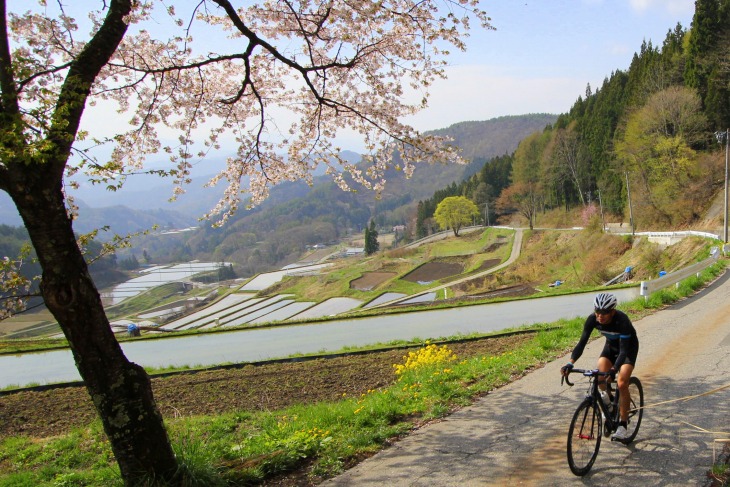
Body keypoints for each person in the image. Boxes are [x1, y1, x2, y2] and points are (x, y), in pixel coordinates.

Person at [560, 292, 639, 441]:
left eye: (605, 312)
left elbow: (623, 352)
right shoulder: (592, 319)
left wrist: (614, 369)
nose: (600, 315)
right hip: (610, 347)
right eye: (597, 311)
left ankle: (623, 425)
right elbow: (582, 343)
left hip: (627, 350)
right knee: (600, 375)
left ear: (613, 311)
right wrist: (570, 363)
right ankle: (608, 400)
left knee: (622, 383)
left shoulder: (622, 321)